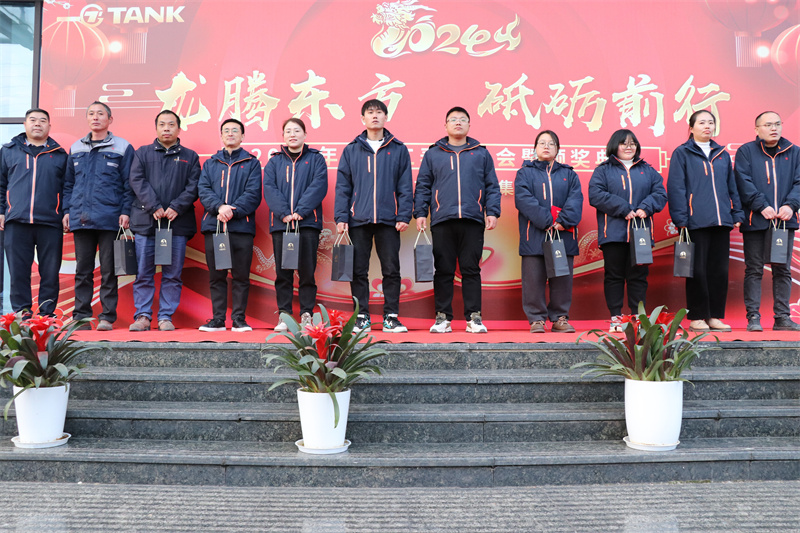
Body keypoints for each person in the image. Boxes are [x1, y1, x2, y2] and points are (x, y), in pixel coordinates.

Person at [414, 106, 501, 333]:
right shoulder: (433, 153)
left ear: (469, 125)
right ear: (445, 126)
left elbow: (492, 185)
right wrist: (420, 213)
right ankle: (442, 318)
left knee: (471, 269)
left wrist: (492, 211)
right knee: (443, 269)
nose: (458, 122)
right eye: (453, 119)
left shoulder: (481, 153)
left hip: (472, 219)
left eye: (463, 119)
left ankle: (474, 318)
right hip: (443, 219)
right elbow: (423, 185)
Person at [334, 99, 413, 333]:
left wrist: (404, 215)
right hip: (358, 219)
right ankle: (361, 317)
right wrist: (341, 217)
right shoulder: (351, 149)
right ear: (363, 119)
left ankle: (391, 317)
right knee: (358, 270)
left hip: (389, 220)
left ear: (386, 117)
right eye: (370, 113)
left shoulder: (398, 149)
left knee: (391, 270)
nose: (375, 116)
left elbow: (405, 186)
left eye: (379, 112)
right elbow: (343, 187)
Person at [667, 110, 743, 332]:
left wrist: (737, 213)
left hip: (721, 221)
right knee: (696, 270)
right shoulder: (682, 153)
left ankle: (715, 316)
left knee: (719, 271)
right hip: (695, 221)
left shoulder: (722, 154)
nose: (707, 126)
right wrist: (681, 218)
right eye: (702, 123)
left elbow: (732, 186)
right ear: (691, 128)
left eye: (711, 122)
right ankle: (698, 316)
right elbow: (676, 187)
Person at [63, 101, 134, 331]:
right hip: (81, 218)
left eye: (100, 114)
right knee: (82, 271)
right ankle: (81, 316)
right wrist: (67, 211)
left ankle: (107, 317)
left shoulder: (122, 147)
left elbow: (129, 184)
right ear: (87, 118)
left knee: (108, 270)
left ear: (110, 119)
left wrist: (126, 211)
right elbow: (68, 184)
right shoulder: (76, 147)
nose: (95, 117)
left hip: (110, 218)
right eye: (91, 113)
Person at [127, 110, 200, 332]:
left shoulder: (190, 156)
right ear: (156, 128)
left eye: (171, 124)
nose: (166, 128)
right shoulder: (142, 153)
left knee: (172, 274)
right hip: (146, 223)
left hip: (176, 224)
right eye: (162, 124)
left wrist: (176, 206)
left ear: (179, 128)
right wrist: (154, 206)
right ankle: (143, 316)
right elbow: (136, 180)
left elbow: (194, 186)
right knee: (143, 273)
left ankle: (166, 317)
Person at [588, 129, 667, 331]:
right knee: (613, 275)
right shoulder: (603, 170)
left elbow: (660, 193)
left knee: (638, 276)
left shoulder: (647, 170)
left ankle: (638, 318)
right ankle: (616, 317)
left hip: (640, 233)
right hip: (613, 233)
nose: (628, 146)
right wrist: (624, 208)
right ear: (614, 146)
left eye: (632, 143)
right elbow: (595, 195)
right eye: (623, 143)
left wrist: (645, 208)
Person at [734, 111, 800, 332]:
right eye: (768, 124)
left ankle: (782, 317)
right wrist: (761, 205)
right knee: (754, 269)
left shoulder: (795, 152)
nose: (774, 128)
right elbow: (743, 182)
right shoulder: (746, 151)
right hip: (756, 219)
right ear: (757, 129)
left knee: (782, 269)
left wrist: (790, 205)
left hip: (784, 220)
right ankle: (753, 317)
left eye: (777, 124)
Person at [0, 108, 68, 317]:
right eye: (33, 120)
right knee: (18, 272)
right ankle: (22, 313)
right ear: (25, 124)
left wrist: (65, 212)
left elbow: (68, 188)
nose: (37, 123)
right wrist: (1, 211)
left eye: (42, 120)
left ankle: (47, 314)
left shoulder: (60, 155)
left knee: (50, 272)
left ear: (49, 126)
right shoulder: (8, 151)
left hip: (50, 222)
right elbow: (1, 184)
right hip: (16, 221)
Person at [197, 118, 263, 332]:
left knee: (241, 276)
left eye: (235, 130)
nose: (230, 133)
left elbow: (253, 194)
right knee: (217, 275)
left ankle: (239, 319)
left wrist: (231, 210)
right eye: (226, 130)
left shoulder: (252, 163)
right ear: (221, 135)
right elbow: (203, 190)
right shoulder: (210, 163)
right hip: (214, 226)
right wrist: (219, 207)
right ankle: (218, 319)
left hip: (241, 228)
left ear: (242, 136)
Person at [514, 130, 583, 334]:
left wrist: (562, 221)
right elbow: (523, 200)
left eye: (551, 143)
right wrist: (546, 221)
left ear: (557, 149)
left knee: (562, 279)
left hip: (563, 234)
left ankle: (560, 318)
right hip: (534, 234)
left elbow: (576, 200)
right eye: (542, 143)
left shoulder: (569, 174)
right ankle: (536, 319)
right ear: (535, 148)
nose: (546, 146)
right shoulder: (525, 173)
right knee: (533, 280)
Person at [263, 118, 328, 331]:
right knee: (283, 272)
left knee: (307, 271)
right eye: (288, 131)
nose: (292, 134)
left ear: (305, 135)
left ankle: (307, 314)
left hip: (307, 223)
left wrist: (301, 211)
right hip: (282, 224)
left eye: (297, 130)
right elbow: (269, 188)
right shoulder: (274, 162)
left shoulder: (316, 159)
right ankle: (284, 315)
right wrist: (284, 213)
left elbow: (319, 186)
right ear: (283, 136)